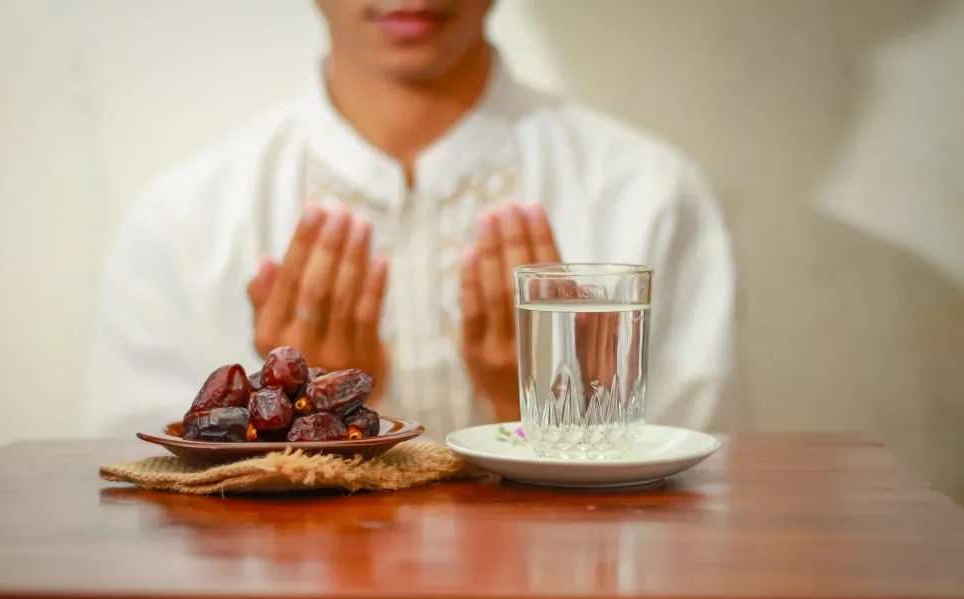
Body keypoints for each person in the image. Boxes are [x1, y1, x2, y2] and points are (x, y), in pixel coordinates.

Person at [81, 0, 742, 440]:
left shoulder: (645, 194)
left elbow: (706, 505)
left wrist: (548, 413)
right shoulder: (185, 218)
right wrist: (314, 425)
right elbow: (140, 522)